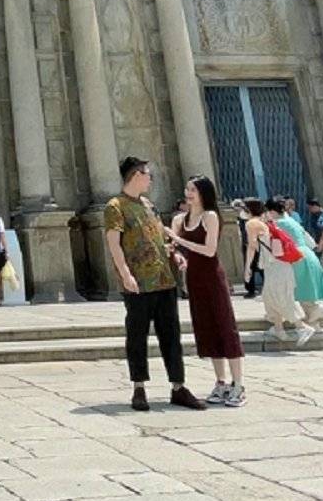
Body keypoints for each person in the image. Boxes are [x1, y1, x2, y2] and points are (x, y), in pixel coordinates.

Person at [104, 158, 205, 413]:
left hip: (163, 279)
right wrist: (125, 274)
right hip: (138, 283)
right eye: (148, 175)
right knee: (137, 335)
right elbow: (114, 244)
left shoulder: (149, 205)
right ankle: (139, 387)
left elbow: (161, 236)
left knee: (171, 335)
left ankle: (178, 386)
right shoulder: (116, 206)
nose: (151, 180)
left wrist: (176, 254)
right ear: (136, 175)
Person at [171, 177, 246, 406]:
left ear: (204, 193)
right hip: (194, 278)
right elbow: (174, 249)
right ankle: (221, 382)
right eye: (187, 189)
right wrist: (178, 254)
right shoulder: (180, 219)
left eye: (193, 189)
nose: (188, 193)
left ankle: (238, 384)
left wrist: (176, 238)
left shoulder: (210, 217)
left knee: (225, 325)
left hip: (212, 276)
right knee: (206, 327)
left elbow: (210, 250)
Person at [244, 198, 309, 345]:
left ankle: (301, 326)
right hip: (278, 264)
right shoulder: (265, 221)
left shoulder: (251, 223)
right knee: (270, 296)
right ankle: (279, 328)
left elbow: (252, 246)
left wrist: (247, 267)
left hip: (275, 265)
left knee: (280, 296)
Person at [267, 197, 323, 334]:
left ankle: (314, 311)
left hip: (296, 256)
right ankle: (314, 323)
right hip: (308, 254)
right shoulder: (292, 221)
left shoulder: (278, 223)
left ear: (272, 211)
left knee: (297, 289)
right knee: (306, 287)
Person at [232, 199, 263, 297]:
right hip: (250, 244)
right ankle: (251, 289)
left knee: (257, 266)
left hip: (254, 244)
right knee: (255, 267)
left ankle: (253, 289)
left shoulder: (248, 218)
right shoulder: (244, 217)